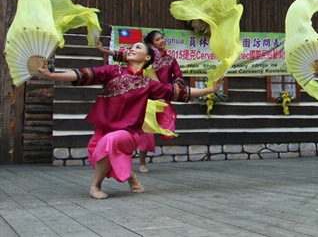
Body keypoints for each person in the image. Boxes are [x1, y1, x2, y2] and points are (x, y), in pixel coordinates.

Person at [38, 41, 223, 199]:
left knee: (110, 143)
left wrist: (209, 90)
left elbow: (178, 92)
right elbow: (86, 74)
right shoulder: (113, 71)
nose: (132, 49)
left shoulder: (148, 84)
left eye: (137, 47)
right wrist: (52, 75)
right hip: (103, 129)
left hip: (130, 133)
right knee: (99, 156)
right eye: (131, 47)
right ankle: (131, 176)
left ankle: (95, 186)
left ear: (147, 58)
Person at [98, 30, 185, 173]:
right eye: (158, 40)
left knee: (167, 128)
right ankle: (141, 162)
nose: (162, 41)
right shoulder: (145, 57)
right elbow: (124, 56)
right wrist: (104, 50)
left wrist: (176, 87)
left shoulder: (170, 59)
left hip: (162, 96)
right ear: (151, 44)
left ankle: (132, 156)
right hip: (145, 97)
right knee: (147, 131)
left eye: (162, 38)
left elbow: (178, 76)